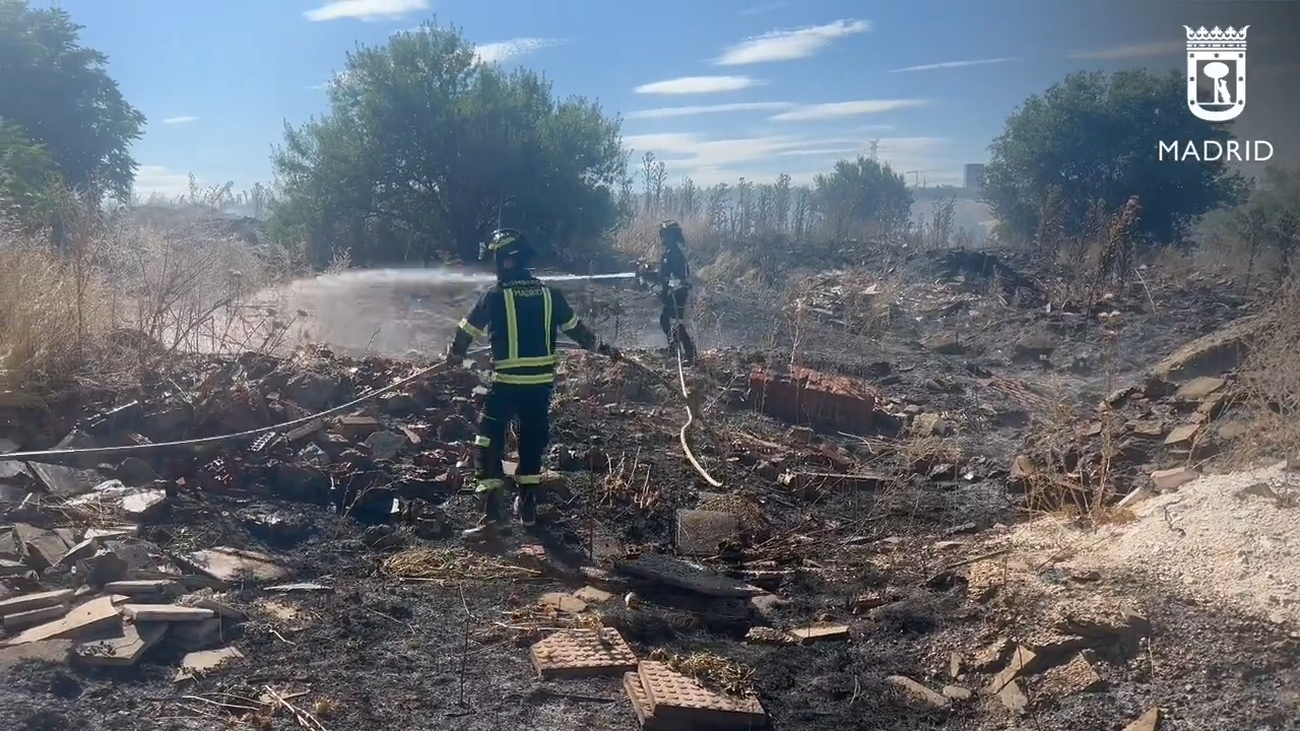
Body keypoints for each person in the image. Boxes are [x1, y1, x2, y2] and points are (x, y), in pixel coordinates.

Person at [445, 228, 621, 540]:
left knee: (487, 444)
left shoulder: (494, 296)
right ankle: (527, 508)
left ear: (506, 262)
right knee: (530, 445)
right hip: (540, 387)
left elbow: (466, 331)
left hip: (506, 385)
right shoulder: (551, 296)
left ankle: (492, 515)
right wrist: (605, 349)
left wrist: (454, 355)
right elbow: (579, 332)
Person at [650, 220, 697, 361]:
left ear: (673, 236)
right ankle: (675, 349)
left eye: (665, 235)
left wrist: (667, 284)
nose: (663, 238)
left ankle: (687, 352)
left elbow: (679, 277)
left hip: (678, 293)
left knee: (674, 323)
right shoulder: (669, 253)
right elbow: (664, 273)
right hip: (671, 293)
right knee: (668, 321)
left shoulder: (676, 254)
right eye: (662, 235)